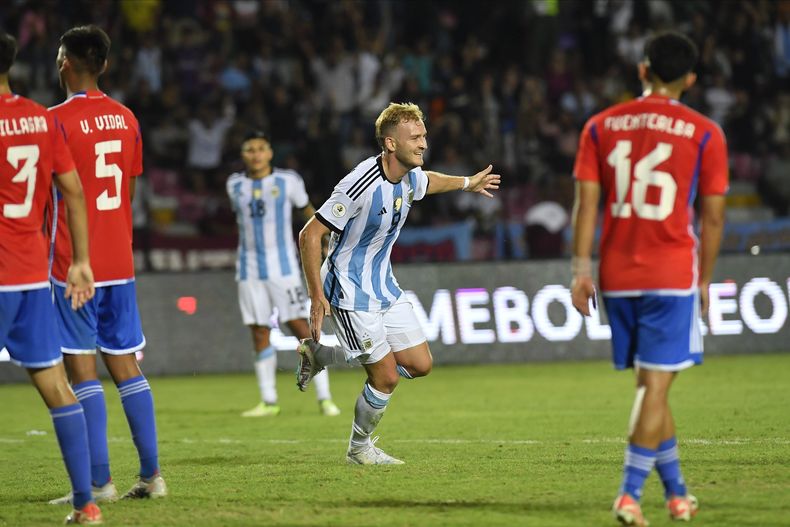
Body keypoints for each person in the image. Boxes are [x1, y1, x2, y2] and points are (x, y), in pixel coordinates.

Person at [570, 31, 728, 526]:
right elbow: (714, 218)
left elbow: (587, 203)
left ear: (642, 70)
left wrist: (580, 269)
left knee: (650, 384)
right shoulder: (705, 132)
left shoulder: (599, 126)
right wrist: (705, 281)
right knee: (655, 389)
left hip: (617, 275)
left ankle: (678, 493)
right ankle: (629, 494)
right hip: (671, 273)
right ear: (691, 79)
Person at [296, 102, 500, 464]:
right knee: (387, 376)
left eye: (424, 135)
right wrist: (315, 295)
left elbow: (428, 181)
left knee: (420, 365)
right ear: (390, 144)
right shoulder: (360, 184)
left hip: (384, 285)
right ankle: (359, 449)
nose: (423, 143)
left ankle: (322, 354)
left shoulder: (408, 175)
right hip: (348, 290)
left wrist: (467, 183)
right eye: (415, 137)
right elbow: (311, 234)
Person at [47, 25, 166, 504]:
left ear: (64, 63)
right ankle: (153, 476)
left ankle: (100, 484)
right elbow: (129, 195)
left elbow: (49, 194)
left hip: (73, 262)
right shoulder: (127, 118)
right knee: (125, 366)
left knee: (82, 374)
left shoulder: (55, 120)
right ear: (105, 65)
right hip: (119, 260)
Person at [0, 32, 101, 525]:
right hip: (30, 278)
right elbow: (74, 193)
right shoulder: (40, 119)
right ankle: (86, 504)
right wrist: (80, 260)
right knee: (55, 384)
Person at [226, 130, 340, 417]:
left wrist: (324, 241)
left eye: (261, 148)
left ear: (270, 152)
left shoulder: (288, 181)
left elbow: (308, 213)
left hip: (284, 268)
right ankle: (268, 401)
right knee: (259, 331)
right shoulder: (234, 185)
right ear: (243, 155)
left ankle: (325, 398)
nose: (255, 154)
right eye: (250, 149)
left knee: (301, 329)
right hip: (248, 269)